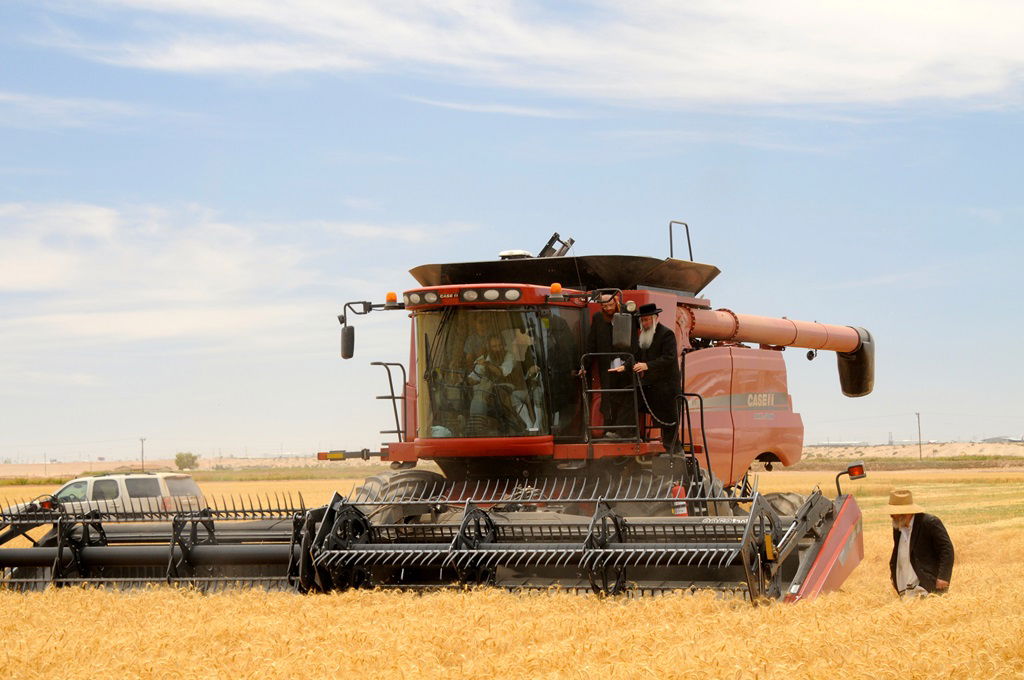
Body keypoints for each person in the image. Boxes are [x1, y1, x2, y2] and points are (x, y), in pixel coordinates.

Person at [612, 302, 679, 450]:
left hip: (666, 385)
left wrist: (647, 365)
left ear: (656, 318)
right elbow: (636, 355)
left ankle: (672, 448)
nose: (645, 322)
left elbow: (669, 358)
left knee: (668, 417)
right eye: (643, 320)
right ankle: (624, 433)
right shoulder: (644, 336)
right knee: (630, 394)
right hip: (650, 383)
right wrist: (624, 367)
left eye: (648, 319)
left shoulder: (666, 334)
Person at [582, 294, 635, 438]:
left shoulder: (626, 316)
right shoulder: (598, 318)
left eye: (610, 305)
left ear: (616, 303)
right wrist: (584, 366)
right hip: (607, 363)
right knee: (608, 397)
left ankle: (624, 430)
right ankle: (609, 428)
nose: (608, 309)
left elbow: (635, 342)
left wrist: (630, 364)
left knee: (626, 396)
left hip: (625, 363)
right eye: (604, 306)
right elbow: (591, 343)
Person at [885, 488, 955, 597]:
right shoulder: (897, 527)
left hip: (926, 584)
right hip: (904, 586)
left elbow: (946, 550)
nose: (891, 515)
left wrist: (943, 577)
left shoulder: (929, 523)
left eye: (894, 512)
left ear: (905, 511)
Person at [467, 334, 543, 432]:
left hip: (506, 386)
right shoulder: (485, 357)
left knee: (492, 391)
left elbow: (502, 373)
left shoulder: (509, 356)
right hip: (488, 387)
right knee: (478, 391)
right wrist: (470, 380)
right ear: (489, 347)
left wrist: (487, 364)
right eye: (494, 346)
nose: (498, 349)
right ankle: (476, 425)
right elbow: (474, 377)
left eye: (500, 345)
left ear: (504, 345)